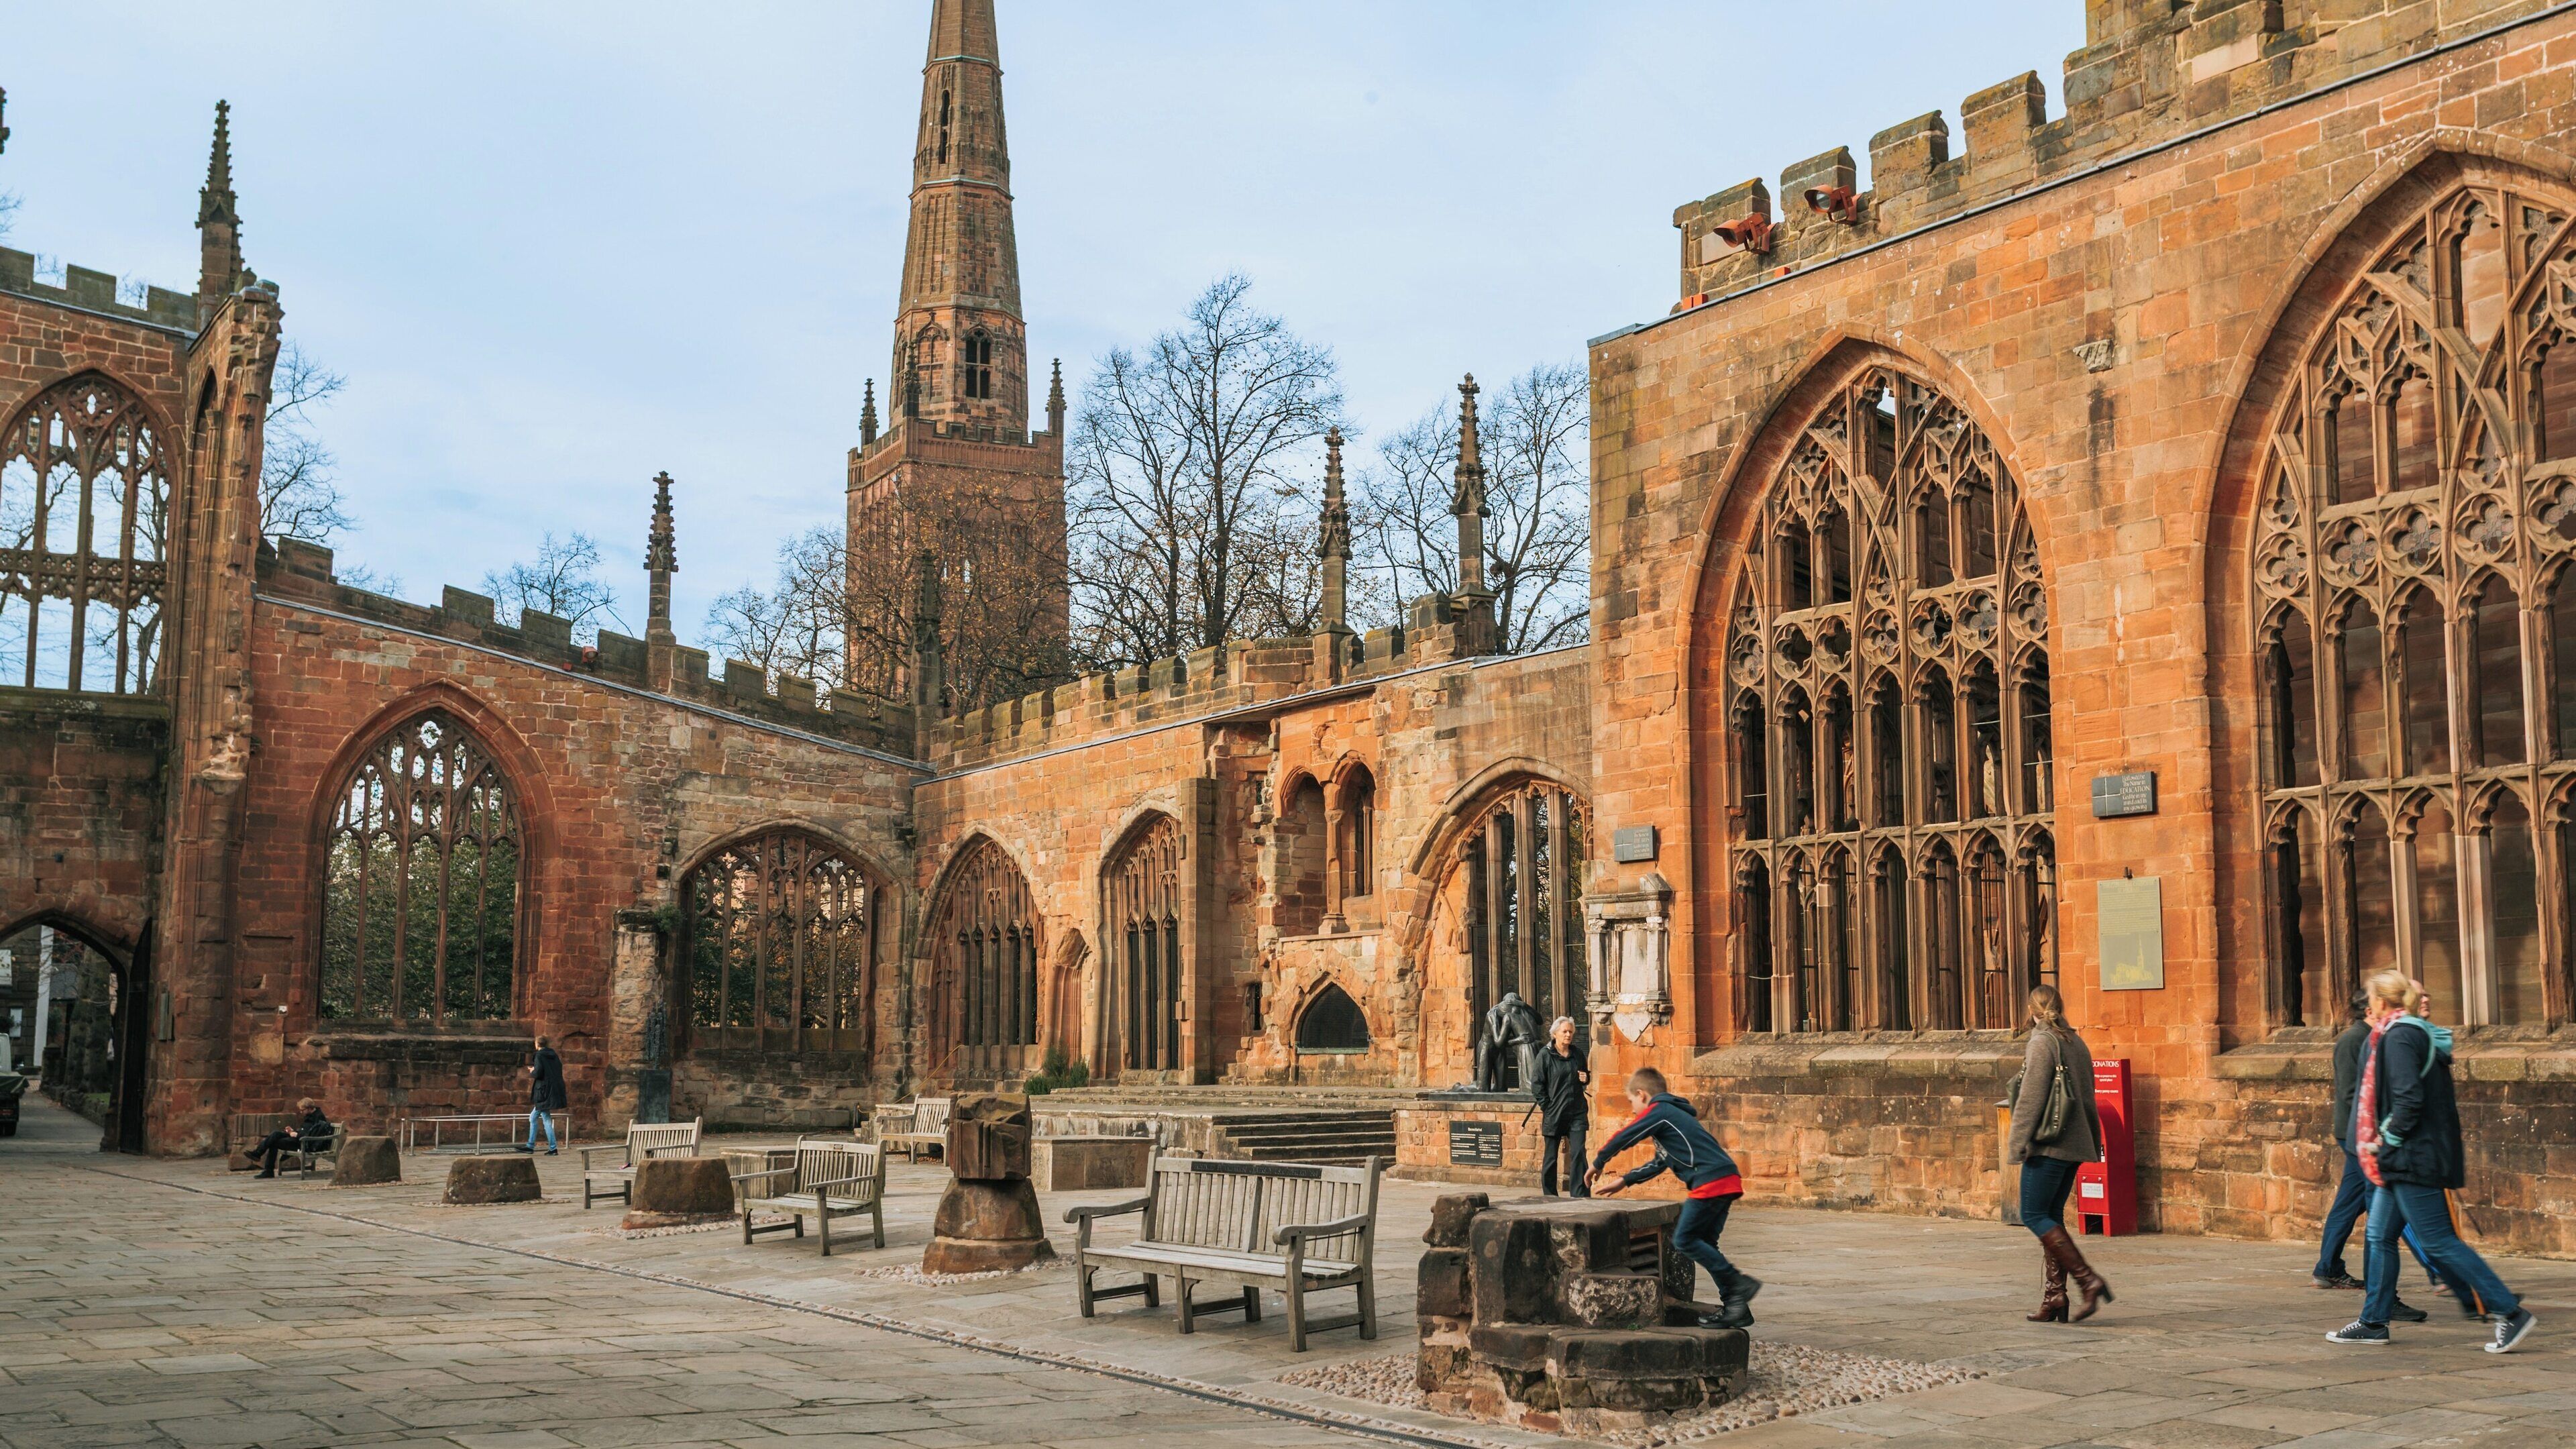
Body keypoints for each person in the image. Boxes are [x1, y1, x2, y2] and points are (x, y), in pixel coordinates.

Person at [2328, 969, 2538, 1353]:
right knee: (2379, 1236)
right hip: (2406, 1156)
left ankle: (2509, 1311)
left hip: (2413, 1156)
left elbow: (2408, 1100)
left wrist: (2384, 1141)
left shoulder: (2401, 1035)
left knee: (2438, 1242)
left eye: (2372, 998)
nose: (2369, 1004)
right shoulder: (2403, 1033)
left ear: (2381, 1001)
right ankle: (2374, 1322)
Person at [1587, 1068, 1759, 1328]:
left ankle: (1738, 1284)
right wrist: (1625, 1180)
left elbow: (1627, 1135)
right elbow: (1660, 1162)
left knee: (1684, 1240)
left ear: (1642, 1095)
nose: (1632, 1110)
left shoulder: (1661, 1112)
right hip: (1724, 1178)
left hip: (1710, 1180)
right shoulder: (1672, 1117)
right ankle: (1736, 1306)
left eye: (1632, 1102)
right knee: (1705, 1243)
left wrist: (1599, 1161)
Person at [2003, 984, 2111, 1322]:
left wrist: (2016, 1144)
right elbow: (2089, 1096)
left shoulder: (2042, 1042)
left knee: (2034, 1215)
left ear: (2032, 1010)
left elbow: (2031, 1100)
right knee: (2050, 1214)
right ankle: (2055, 1296)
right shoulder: (2075, 1041)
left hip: (2049, 1144)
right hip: (2074, 1145)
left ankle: (2087, 1280)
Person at [2314, 990, 2373, 1289]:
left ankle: (2327, 1267)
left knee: (2351, 1202)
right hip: (2356, 1133)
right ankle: (2440, 1273)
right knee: (2387, 1201)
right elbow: (2351, 1093)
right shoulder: (2353, 1040)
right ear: (2369, 1009)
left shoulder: (2373, 1037)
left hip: (2361, 1133)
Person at [1532, 1016, 1590, 1197]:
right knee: (1551, 1157)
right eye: (1565, 1031)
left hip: (1577, 1111)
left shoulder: (1578, 1054)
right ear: (1554, 1033)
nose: (1568, 1035)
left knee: (1579, 1152)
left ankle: (1579, 1194)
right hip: (1554, 1112)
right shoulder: (1545, 1055)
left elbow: (1585, 1076)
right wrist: (1547, 1107)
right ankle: (1550, 1195)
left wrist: (1585, 1078)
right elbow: (1537, 1085)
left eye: (1571, 1032)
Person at [248, 1097, 331, 1179]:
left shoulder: (319, 1118)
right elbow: (306, 1130)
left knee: (274, 1143)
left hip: (304, 1143)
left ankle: (268, 1170)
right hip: (300, 1138)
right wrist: (293, 1131)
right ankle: (258, 1153)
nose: (301, 1112)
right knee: (276, 1134)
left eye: (303, 1110)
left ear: (309, 1108)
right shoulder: (310, 1115)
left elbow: (314, 1135)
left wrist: (297, 1135)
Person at [520, 1036, 567, 1155]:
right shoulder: (553, 1055)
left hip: (543, 1091)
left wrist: (533, 1071)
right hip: (552, 1090)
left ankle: (543, 1147)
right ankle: (546, 1147)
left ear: (537, 1044)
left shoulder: (539, 1055)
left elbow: (539, 1073)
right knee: (539, 1118)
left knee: (541, 1118)